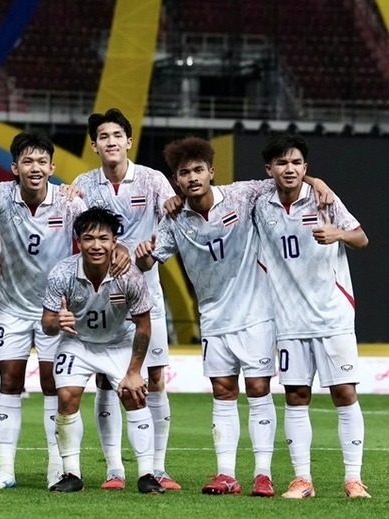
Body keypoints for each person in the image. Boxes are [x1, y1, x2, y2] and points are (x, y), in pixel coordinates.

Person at [135, 137, 331, 497]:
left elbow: (284, 176)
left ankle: (262, 475)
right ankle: (226, 474)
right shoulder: (175, 219)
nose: (192, 177)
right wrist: (144, 253)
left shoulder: (242, 195)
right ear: (177, 180)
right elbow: (149, 261)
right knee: (222, 391)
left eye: (198, 170)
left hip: (256, 313)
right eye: (184, 173)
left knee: (258, 390)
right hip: (213, 317)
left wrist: (317, 182)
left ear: (212, 171)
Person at [0, 131, 107, 490]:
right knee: (10, 383)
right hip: (11, 309)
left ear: (52, 167)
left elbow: (98, 243)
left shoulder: (68, 201)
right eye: (27, 161)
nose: (35, 168)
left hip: (54, 309)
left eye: (41, 162)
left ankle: (56, 468)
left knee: (54, 386)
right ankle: (6, 470)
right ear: (15, 167)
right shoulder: (0, 194)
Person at [253, 133, 370, 499]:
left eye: (296, 163)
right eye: (282, 163)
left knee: (344, 392)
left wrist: (339, 233)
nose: (290, 169)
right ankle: (302, 479)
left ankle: (353, 479)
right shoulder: (259, 203)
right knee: (296, 395)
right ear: (269, 169)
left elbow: (362, 238)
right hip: (288, 319)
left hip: (332, 316)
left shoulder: (325, 200)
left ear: (305, 167)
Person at [72, 108, 180, 490]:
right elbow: (78, 234)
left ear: (129, 141)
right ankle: (114, 469)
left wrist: (152, 255)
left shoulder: (152, 180)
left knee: (155, 378)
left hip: (145, 292)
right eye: (104, 136)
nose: (111, 141)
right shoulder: (83, 184)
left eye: (118, 135)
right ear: (94, 145)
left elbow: (174, 221)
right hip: (102, 298)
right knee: (105, 379)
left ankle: (158, 468)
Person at [42, 208, 164, 494]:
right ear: (78, 242)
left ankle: (147, 474)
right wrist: (57, 322)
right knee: (66, 396)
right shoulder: (62, 272)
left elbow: (144, 326)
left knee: (135, 395)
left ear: (114, 242)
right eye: (88, 238)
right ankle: (71, 473)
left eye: (103, 239)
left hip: (119, 341)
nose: (96, 246)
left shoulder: (130, 275)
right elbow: (46, 324)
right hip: (78, 343)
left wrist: (134, 372)